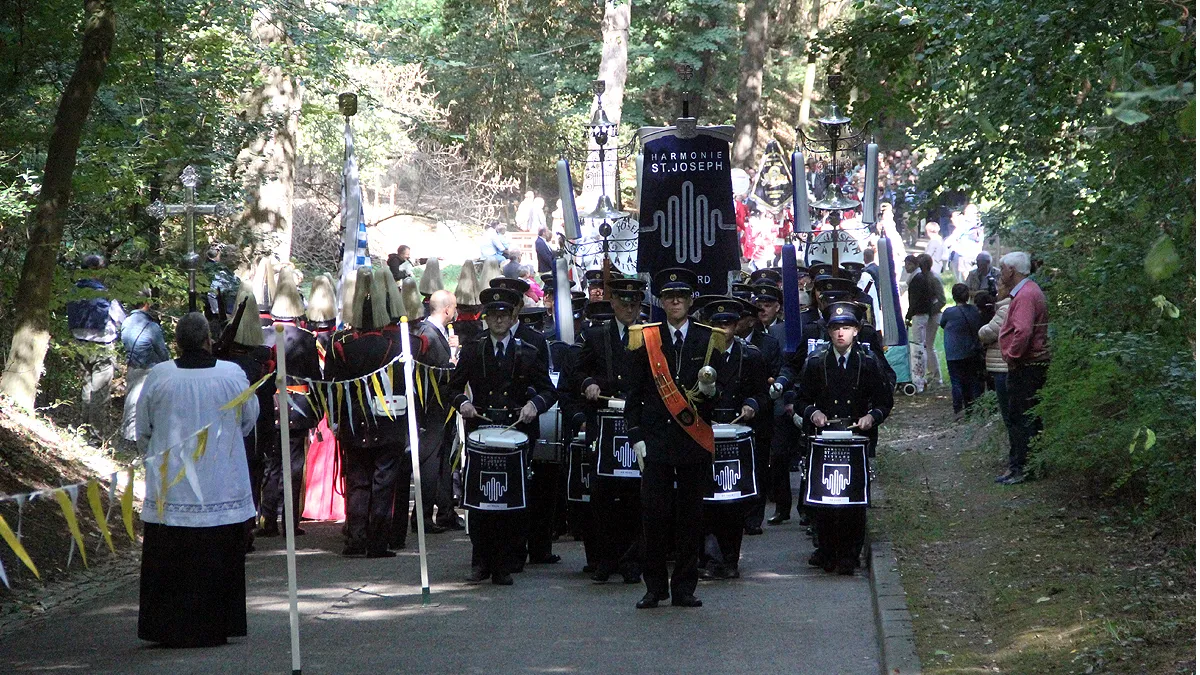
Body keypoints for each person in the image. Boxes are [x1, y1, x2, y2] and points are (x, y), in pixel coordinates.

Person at [136, 312, 259, 648]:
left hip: (172, 485)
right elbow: (249, 421)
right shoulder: (233, 374)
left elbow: (142, 429)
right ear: (208, 339)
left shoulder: (159, 376)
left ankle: (167, 627)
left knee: (173, 562)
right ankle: (216, 624)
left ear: (176, 343)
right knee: (215, 557)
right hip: (220, 481)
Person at [625, 268, 721, 609]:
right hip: (657, 442)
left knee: (690, 518)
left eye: (681, 296)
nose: (675, 301)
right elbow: (633, 395)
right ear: (661, 302)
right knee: (654, 517)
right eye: (668, 296)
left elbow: (720, 393)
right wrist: (635, 435)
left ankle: (684, 587)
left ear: (691, 300)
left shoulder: (709, 338)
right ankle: (654, 587)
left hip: (693, 441)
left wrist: (712, 390)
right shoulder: (645, 338)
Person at [449, 285, 557, 585]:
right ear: (486, 317)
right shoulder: (473, 348)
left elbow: (549, 390)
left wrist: (535, 405)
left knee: (512, 499)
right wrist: (464, 403)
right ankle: (481, 561)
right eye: (493, 315)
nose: (498, 320)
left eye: (504, 314)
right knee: (480, 499)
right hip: (482, 431)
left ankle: (506, 562)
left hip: (516, 431)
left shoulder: (530, 348)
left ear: (513, 316)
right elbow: (453, 388)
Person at [792, 302, 893, 575]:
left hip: (855, 440)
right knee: (824, 500)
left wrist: (872, 417)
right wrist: (813, 413)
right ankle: (826, 550)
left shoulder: (868, 363)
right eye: (835, 328)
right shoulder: (815, 362)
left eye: (846, 328)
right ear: (828, 331)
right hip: (824, 439)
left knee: (852, 499)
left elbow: (885, 401)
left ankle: (849, 553)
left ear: (856, 331)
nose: (840, 334)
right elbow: (801, 400)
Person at [325, 268, 408, 557]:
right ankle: (377, 541)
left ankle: (356, 538)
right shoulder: (398, 345)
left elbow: (332, 386)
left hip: (354, 422)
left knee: (358, 481)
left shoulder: (341, 346)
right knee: (384, 483)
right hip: (389, 422)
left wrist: (334, 420)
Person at [573, 277, 647, 584]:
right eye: (623, 302)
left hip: (635, 423)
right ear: (612, 302)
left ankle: (632, 561)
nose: (628, 308)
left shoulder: (650, 335)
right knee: (603, 496)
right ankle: (605, 560)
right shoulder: (595, 335)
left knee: (635, 496)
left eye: (634, 303)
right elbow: (576, 369)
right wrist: (588, 383)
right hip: (603, 424)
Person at [697, 298, 768, 580]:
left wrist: (752, 404)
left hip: (737, 436)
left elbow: (763, 393)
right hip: (707, 432)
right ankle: (710, 557)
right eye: (716, 324)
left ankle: (730, 558)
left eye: (727, 324)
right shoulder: (700, 356)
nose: (722, 330)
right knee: (706, 499)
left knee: (733, 502)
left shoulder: (750, 356)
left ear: (736, 326)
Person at [258, 267, 320, 537]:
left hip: (268, 406)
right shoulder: (306, 339)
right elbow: (315, 379)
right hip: (297, 406)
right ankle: (290, 523)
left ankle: (268, 519)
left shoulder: (262, 336)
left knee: (272, 464)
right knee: (293, 466)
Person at [413, 289, 464, 530]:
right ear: (447, 310)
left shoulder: (438, 333)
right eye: (454, 308)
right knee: (430, 462)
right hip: (432, 409)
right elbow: (430, 372)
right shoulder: (427, 334)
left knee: (445, 460)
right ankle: (421, 518)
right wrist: (451, 363)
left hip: (444, 408)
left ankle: (446, 512)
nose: (455, 313)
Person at [996, 252, 1049, 485]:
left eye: (1002, 269)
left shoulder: (1026, 295)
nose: (1000, 274)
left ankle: (1023, 468)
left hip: (1027, 365)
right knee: (1025, 416)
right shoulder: (1028, 291)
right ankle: (1022, 465)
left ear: (1012, 270)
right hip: (1029, 363)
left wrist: (1011, 355)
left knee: (1021, 417)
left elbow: (1024, 331)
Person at [67, 254, 126, 433]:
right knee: (100, 392)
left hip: (79, 344)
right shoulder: (105, 293)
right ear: (96, 270)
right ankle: (97, 433)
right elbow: (121, 319)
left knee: (86, 386)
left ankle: (84, 429)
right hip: (102, 346)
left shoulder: (73, 291)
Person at [120, 288, 169, 450]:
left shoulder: (126, 322)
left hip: (132, 366)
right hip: (149, 369)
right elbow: (162, 351)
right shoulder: (151, 326)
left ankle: (127, 437)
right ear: (147, 304)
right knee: (148, 405)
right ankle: (143, 441)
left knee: (131, 401)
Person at [940, 283, 985, 415]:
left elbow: (942, 324)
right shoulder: (974, 310)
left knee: (956, 381)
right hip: (971, 350)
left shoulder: (949, 313)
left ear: (953, 297)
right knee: (972, 379)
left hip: (953, 353)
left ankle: (958, 409)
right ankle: (974, 406)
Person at [905, 253, 945, 388]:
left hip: (933, 315)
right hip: (928, 314)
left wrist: (929, 311)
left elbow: (942, 300)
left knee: (927, 346)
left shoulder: (933, 278)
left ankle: (935, 376)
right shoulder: (922, 277)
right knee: (927, 346)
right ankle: (933, 375)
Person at [978, 285, 1012, 428]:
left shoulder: (1005, 310)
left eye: (1001, 285)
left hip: (1002, 365)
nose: (997, 290)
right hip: (1004, 364)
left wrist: (981, 330)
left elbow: (988, 333)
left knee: (1009, 412)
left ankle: (1017, 447)